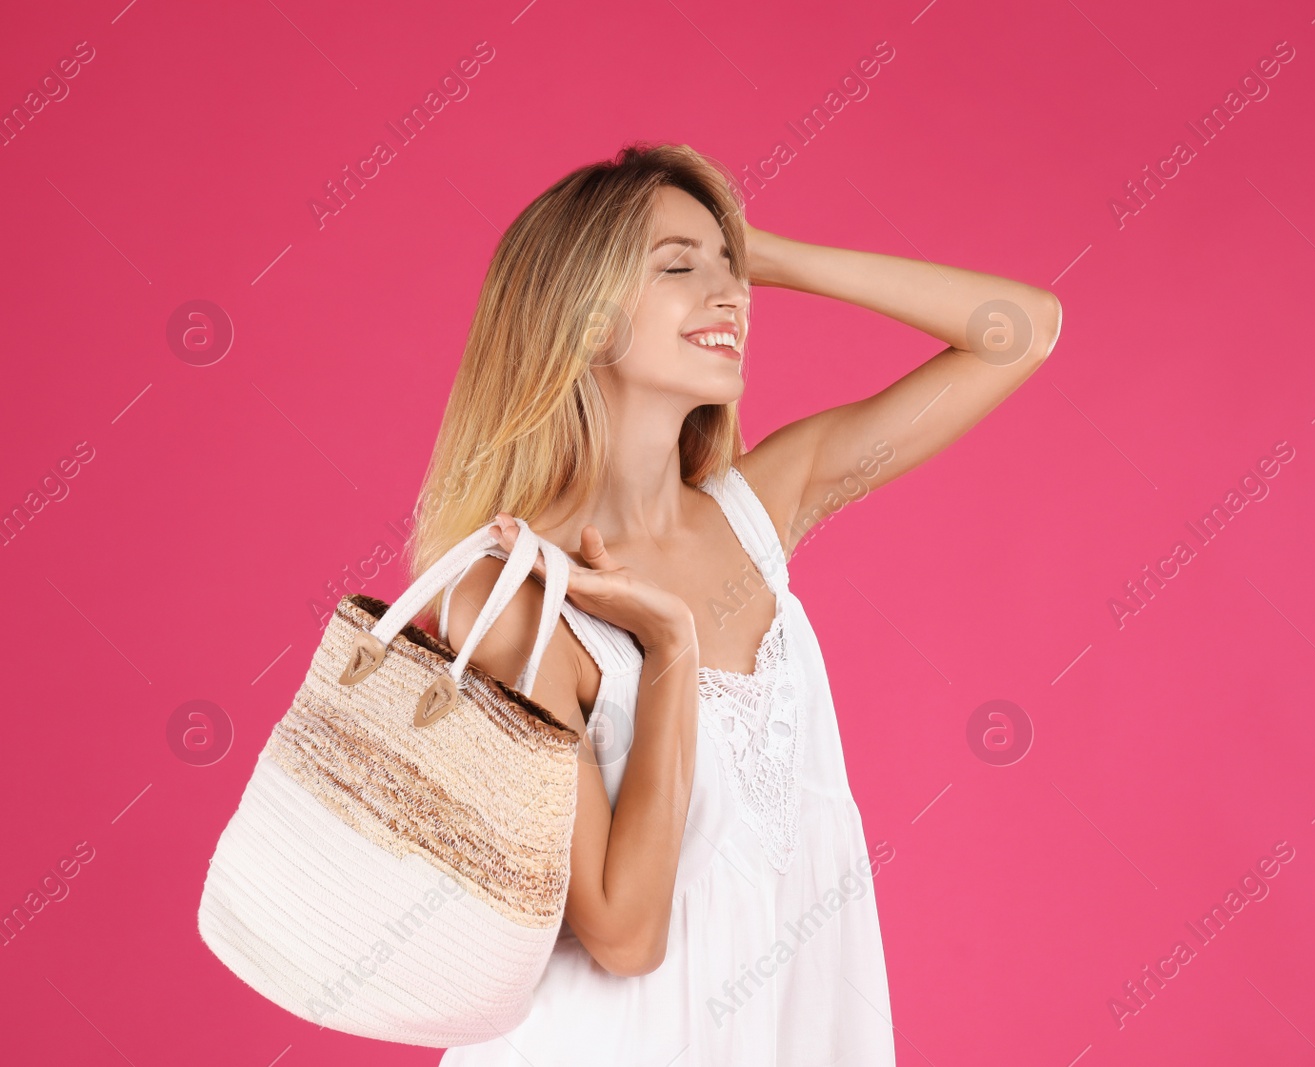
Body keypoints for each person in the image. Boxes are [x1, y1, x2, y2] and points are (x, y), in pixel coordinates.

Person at [411, 142, 1061, 1065]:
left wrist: (766, 256)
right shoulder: (512, 588)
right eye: (678, 266)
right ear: (581, 314)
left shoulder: (760, 512)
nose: (730, 294)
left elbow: (1021, 329)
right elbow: (625, 937)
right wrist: (669, 650)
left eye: (731, 267)